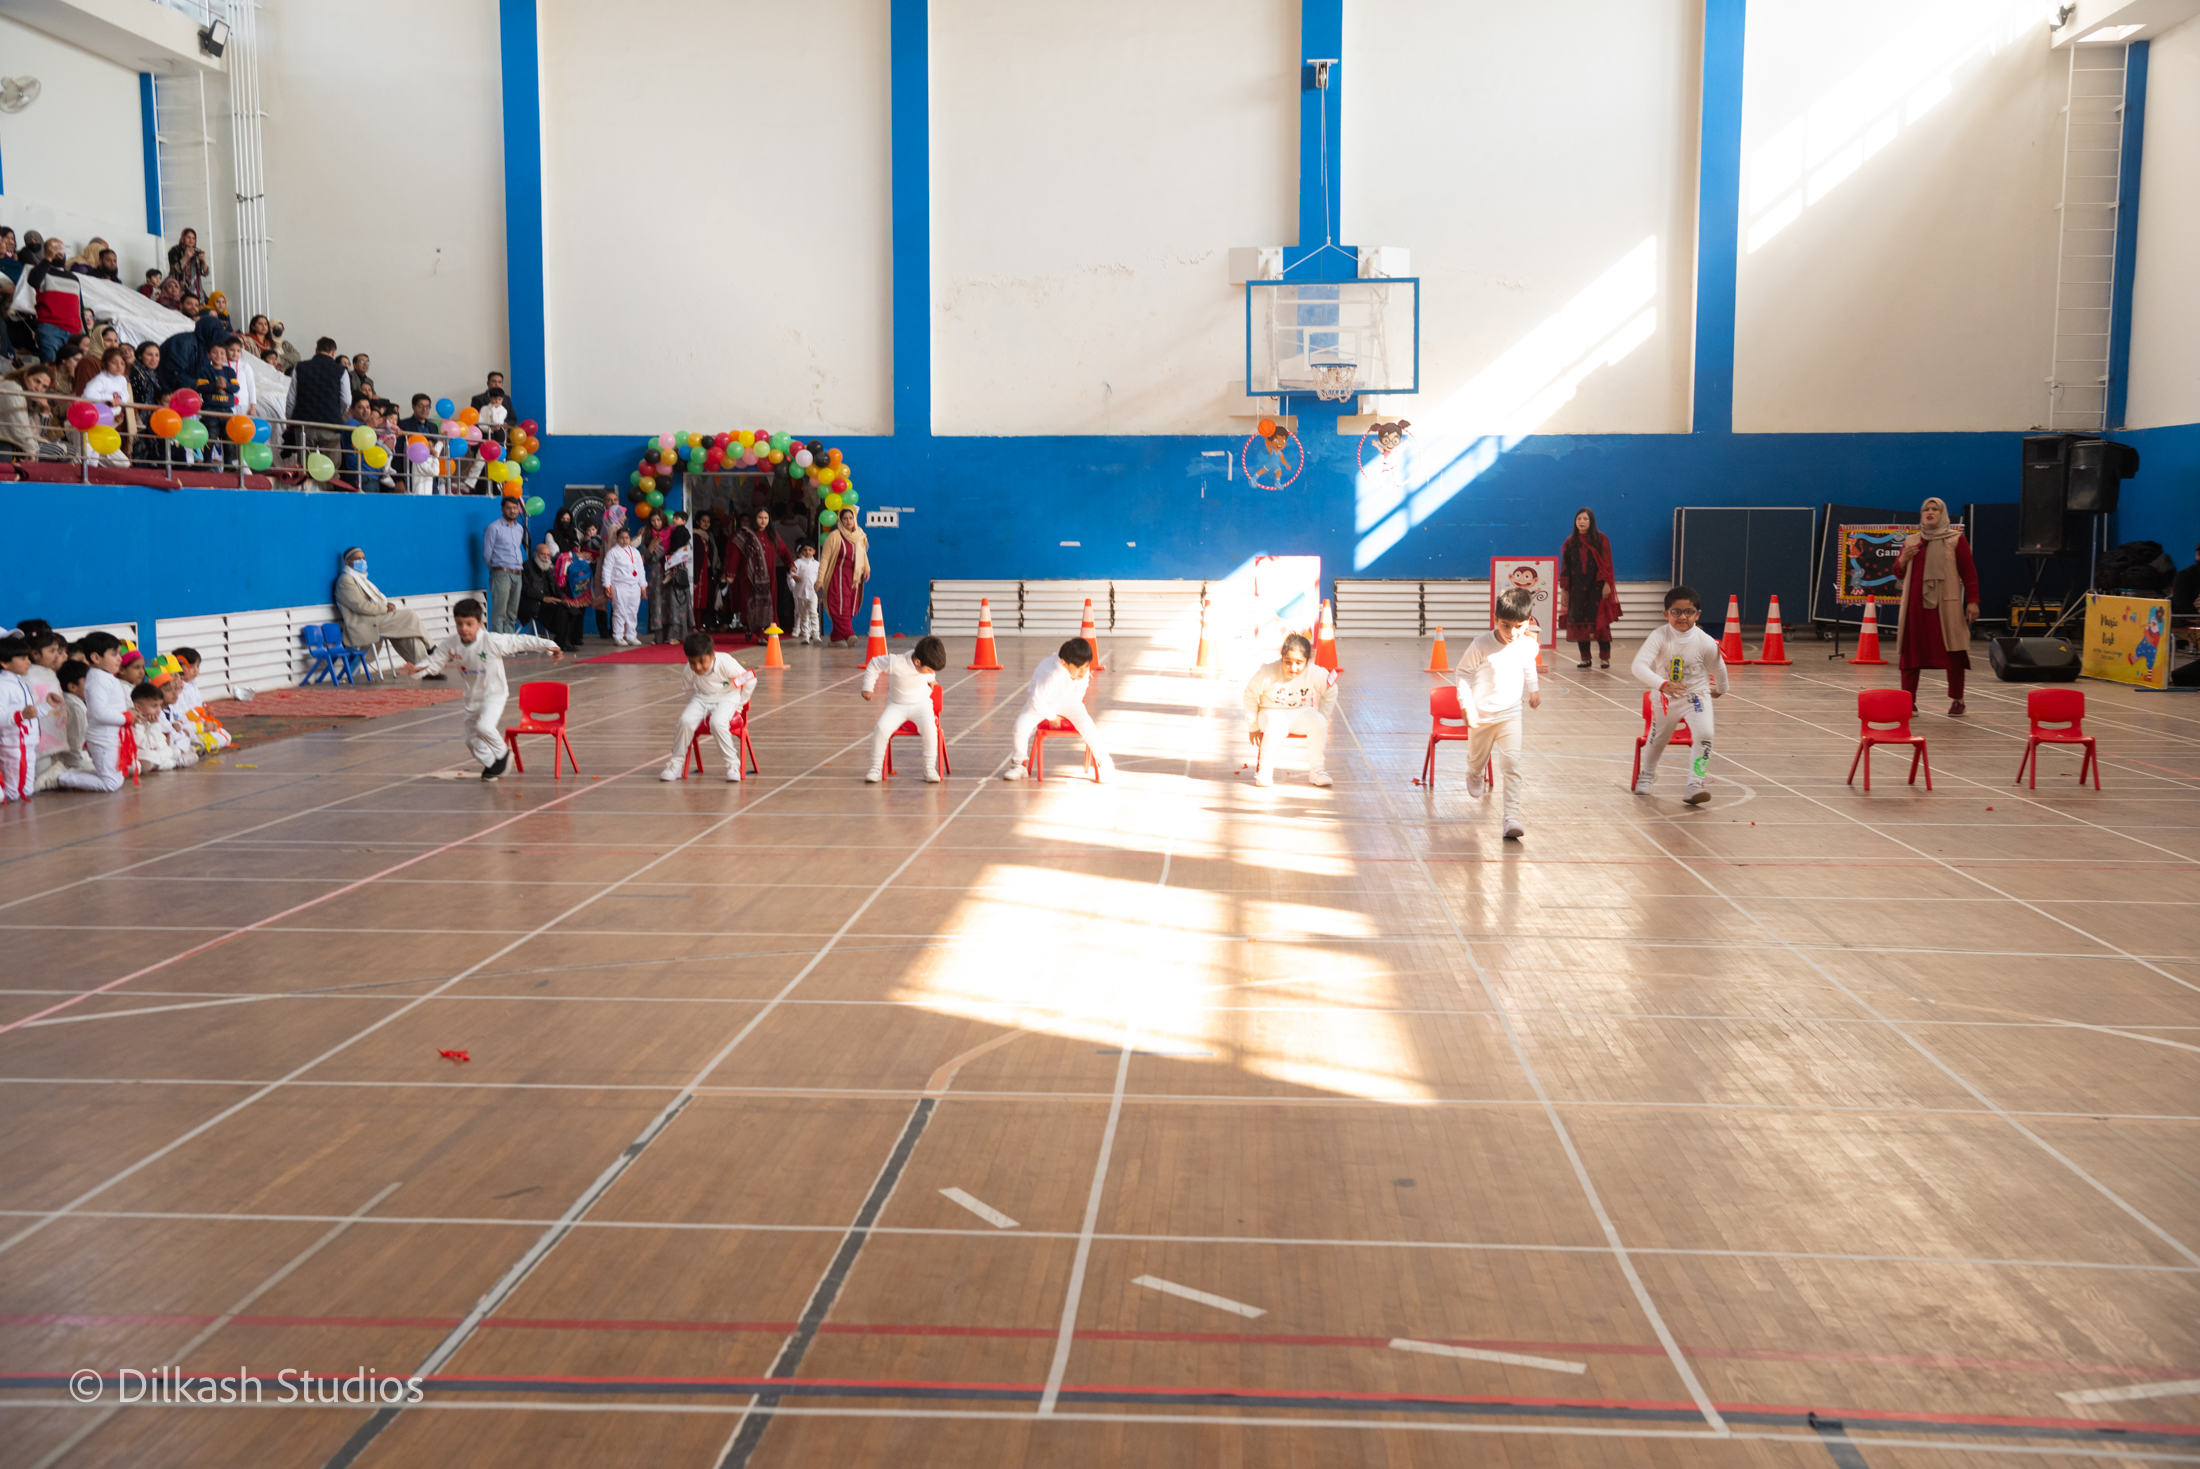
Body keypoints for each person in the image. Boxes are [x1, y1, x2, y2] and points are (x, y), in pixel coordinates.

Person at [397, 597, 562, 779]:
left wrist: (550, 646)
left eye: (469, 624)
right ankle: (492, 764)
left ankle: (503, 754)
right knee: (471, 741)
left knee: (484, 727)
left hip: (494, 695)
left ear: (479, 624)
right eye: (459, 624)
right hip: (472, 697)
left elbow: (521, 641)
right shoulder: (452, 644)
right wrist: (418, 669)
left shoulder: (491, 641)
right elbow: (434, 661)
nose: (464, 628)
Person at [1452, 587, 1543, 839]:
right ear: (1495, 619)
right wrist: (1467, 705)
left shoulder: (1527, 645)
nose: (1512, 632)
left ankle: (1511, 817)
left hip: (1511, 714)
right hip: (1481, 716)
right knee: (1476, 759)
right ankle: (1474, 772)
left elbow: (1528, 664)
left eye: (1519, 626)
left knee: (1512, 763)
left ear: (1528, 621)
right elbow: (1462, 673)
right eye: (1506, 626)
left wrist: (1534, 689)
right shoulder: (1481, 644)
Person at [1631, 585, 1728, 805]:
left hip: (1696, 697)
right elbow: (1638, 666)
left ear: (1697, 614)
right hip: (1665, 699)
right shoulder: (1659, 636)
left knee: (1705, 734)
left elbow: (1719, 668)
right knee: (1657, 739)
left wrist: (1721, 689)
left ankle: (1695, 784)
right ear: (1666, 614)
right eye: (1676, 612)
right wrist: (1662, 684)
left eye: (1688, 612)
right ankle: (1648, 774)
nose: (1682, 617)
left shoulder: (1705, 641)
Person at [1893, 496, 1979, 716]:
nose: (1930, 513)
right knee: (1911, 654)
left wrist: (1972, 601)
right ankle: (1908, 701)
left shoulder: (1955, 539)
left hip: (1945, 607)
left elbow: (1969, 572)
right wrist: (1903, 559)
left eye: (1935, 509)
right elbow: (1898, 572)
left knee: (1954, 651)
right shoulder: (1911, 541)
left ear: (1943, 514)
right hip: (1915, 608)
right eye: (1926, 509)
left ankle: (1958, 700)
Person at [1005, 639, 1113, 782]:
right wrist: (1052, 717)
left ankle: (1105, 765)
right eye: (1078, 667)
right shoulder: (1050, 673)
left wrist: (1073, 706)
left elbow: (1081, 688)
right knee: (1020, 727)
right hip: (1042, 701)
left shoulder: (1082, 668)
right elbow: (1037, 700)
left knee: (1089, 727)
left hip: (1068, 698)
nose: (1083, 671)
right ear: (1064, 663)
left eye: (1086, 666)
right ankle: (1019, 766)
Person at [1241, 632, 1338, 788]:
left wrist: (1322, 716)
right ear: (1282, 658)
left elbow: (1331, 690)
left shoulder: (1315, 672)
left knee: (1319, 723)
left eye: (1299, 662)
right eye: (1288, 662)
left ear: (1307, 660)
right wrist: (1253, 725)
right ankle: (1264, 772)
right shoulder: (1268, 672)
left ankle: (1317, 771)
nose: (1293, 668)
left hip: (1302, 712)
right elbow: (1250, 694)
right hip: (1271, 711)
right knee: (1275, 726)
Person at [662, 630, 756, 783]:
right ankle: (676, 765)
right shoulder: (689, 670)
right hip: (702, 698)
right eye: (692, 662)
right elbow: (689, 689)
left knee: (717, 722)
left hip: (728, 697)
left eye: (701, 661)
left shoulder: (726, 662)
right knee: (685, 721)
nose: (698, 667)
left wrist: (739, 706)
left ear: (712, 655)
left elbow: (750, 679)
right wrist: (697, 708)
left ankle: (733, 765)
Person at [862, 635, 946, 784]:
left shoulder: (925, 661)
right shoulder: (896, 662)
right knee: (881, 728)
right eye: (929, 669)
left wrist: (931, 679)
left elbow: (930, 673)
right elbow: (874, 664)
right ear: (918, 661)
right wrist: (868, 687)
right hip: (896, 706)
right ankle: (875, 769)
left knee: (930, 729)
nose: (931, 672)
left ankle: (929, 769)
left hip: (922, 705)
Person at [54, 634, 131, 793]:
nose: (120, 659)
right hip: (103, 739)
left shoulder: (106, 677)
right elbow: (98, 712)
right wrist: (126, 717)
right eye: (114, 654)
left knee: (117, 778)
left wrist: (128, 715)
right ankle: (62, 778)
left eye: (119, 653)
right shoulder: (97, 679)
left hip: (112, 737)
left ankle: (74, 774)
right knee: (111, 784)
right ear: (96, 657)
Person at [333, 548, 434, 664]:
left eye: (363, 558)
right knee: (409, 615)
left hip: (376, 620)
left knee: (409, 634)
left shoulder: (363, 580)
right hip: (363, 623)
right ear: (347, 562)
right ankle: (431, 648)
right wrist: (385, 608)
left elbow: (378, 600)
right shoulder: (346, 580)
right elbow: (361, 606)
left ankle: (425, 667)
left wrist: (388, 604)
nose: (362, 561)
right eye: (357, 559)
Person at [1558, 507, 1622, 669]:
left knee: (1601, 622)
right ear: (1575, 522)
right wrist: (1564, 591)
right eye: (1579, 519)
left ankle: (1604, 658)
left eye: (1585, 519)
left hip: (1597, 588)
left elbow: (1606, 563)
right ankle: (1585, 658)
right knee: (1579, 623)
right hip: (1576, 590)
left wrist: (1607, 584)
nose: (1582, 522)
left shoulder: (1601, 539)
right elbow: (1565, 567)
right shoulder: (1570, 542)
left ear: (1591, 521)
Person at [290, 338, 351, 467]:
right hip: (331, 425)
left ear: (316, 350)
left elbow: (291, 399)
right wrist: (338, 412)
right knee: (330, 467)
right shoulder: (341, 370)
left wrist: (290, 421)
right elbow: (346, 400)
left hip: (304, 424)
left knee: (305, 467)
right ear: (333, 352)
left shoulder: (300, 367)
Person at [34, 658, 91, 791]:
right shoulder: (76, 707)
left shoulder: (73, 701)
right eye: (88, 682)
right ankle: (60, 776)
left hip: (67, 756)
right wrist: (75, 766)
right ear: (72, 687)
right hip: (65, 758)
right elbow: (74, 741)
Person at [817, 507, 871, 644]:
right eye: (845, 518)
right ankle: (849, 634)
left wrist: (866, 568)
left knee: (850, 605)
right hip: (837, 577)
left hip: (854, 578)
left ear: (854, 519)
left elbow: (863, 554)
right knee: (840, 605)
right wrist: (820, 579)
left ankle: (836, 637)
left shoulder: (859, 535)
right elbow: (825, 559)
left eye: (851, 518)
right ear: (840, 521)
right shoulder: (834, 536)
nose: (848, 521)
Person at [730, 507, 785, 639]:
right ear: (755, 519)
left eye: (766, 518)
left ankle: (763, 634)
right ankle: (750, 627)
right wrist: (731, 573)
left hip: (769, 577)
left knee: (767, 604)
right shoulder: (745, 535)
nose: (763, 521)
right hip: (749, 577)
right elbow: (735, 555)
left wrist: (791, 565)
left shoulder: (772, 534)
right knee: (749, 602)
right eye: (760, 518)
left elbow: (783, 550)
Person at [0, 636, 42, 803]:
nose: (28, 662)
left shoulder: (21, 682)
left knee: (26, 790)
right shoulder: (3, 685)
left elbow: (30, 714)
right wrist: (19, 716)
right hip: (13, 744)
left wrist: (47, 707)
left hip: (28, 742)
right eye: (23, 658)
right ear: (4, 663)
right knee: (12, 793)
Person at [0, 362, 66, 460]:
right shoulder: (12, 387)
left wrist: (45, 409)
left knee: (69, 449)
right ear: (25, 375)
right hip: (7, 440)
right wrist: (31, 450)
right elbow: (19, 426)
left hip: (19, 440)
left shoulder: (31, 396)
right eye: (36, 381)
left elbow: (37, 433)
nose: (38, 388)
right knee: (59, 452)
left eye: (44, 386)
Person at [484, 496, 528, 633]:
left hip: (518, 573)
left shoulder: (519, 528)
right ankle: (498, 644)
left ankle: (509, 643)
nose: (512, 511)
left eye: (515, 508)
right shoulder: (493, 528)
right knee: (499, 613)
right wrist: (496, 571)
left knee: (512, 614)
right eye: (509, 508)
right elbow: (486, 555)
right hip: (501, 573)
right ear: (502, 509)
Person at [602, 526, 646, 645]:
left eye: (627, 538)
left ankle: (631, 635)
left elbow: (640, 569)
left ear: (630, 538)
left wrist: (643, 585)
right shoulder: (612, 553)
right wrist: (607, 585)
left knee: (633, 611)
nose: (624, 540)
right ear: (617, 539)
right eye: (621, 538)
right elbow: (607, 569)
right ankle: (618, 636)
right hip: (619, 586)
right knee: (619, 611)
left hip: (634, 586)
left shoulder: (635, 552)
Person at [519, 539, 569, 646]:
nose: (546, 558)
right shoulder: (526, 567)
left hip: (549, 602)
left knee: (571, 608)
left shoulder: (549, 569)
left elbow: (556, 587)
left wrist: (562, 599)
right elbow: (526, 588)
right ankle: (561, 642)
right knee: (561, 609)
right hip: (535, 603)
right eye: (543, 554)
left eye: (548, 555)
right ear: (535, 554)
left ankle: (567, 640)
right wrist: (543, 598)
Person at [657, 520, 694, 646]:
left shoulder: (681, 549)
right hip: (674, 579)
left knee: (675, 607)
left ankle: (675, 635)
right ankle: (671, 635)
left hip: (677, 579)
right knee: (674, 607)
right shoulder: (681, 548)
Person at [790, 542, 822, 645]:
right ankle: (805, 636)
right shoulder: (798, 563)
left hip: (813, 593)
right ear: (802, 552)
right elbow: (791, 573)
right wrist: (794, 576)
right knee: (803, 615)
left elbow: (821, 580)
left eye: (810, 550)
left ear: (814, 551)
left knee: (814, 614)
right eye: (805, 550)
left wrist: (821, 595)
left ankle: (816, 634)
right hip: (801, 593)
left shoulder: (817, 564)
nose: (807, 552)